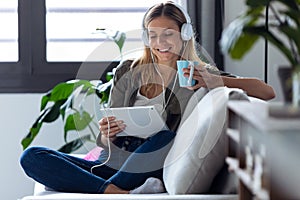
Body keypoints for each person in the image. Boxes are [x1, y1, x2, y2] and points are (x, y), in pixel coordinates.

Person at [20, 1, 275, 195]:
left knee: (164, 138)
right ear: (146, 37)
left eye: (168, 34)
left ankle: (102, 190)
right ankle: (114, 192)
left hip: (149, 160)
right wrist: (106, 134)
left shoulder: (194, 73)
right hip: (113, 162)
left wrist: (214, 80)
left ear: (183, 34)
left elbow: (266, 91)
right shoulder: (128, 70)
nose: (160, 42)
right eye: (153, 35)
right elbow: (105, 142)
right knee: (31, 156)